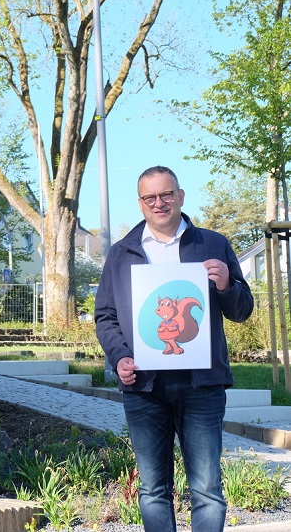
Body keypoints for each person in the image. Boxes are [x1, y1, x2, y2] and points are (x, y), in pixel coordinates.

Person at [95, 165, 254, 531]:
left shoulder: (213, 244)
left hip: (202, 385)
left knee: (207, 489)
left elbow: (243, 310)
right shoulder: (121, 253)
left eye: (166, 194)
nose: (159, 203)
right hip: (144, 387)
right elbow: (105, 316)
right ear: (140, 204)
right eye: (150, 197)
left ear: (180, 196)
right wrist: (120, 357)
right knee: (152, 490)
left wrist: (228, 285)